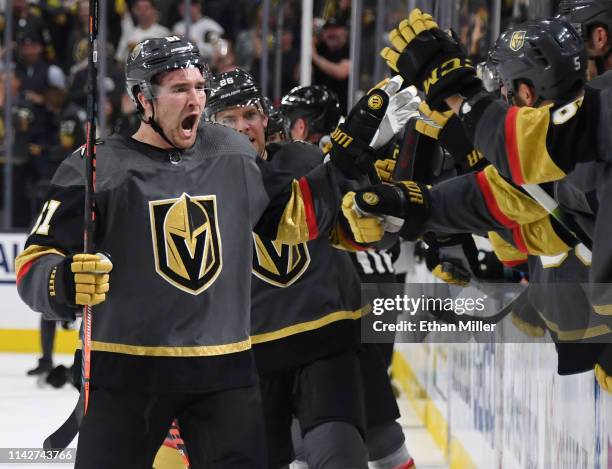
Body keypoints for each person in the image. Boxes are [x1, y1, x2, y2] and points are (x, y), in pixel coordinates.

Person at [14, 37, 388, 468]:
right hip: (130, 373)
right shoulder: (96, 167)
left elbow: (291, 222)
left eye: (198, 86)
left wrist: (346, 157)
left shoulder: (231, 154)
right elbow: (33, 263)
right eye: (178, 89)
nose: (194, 98)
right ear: (143, 98)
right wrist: (61, 281)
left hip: (224, 373)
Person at [205, 67, 370, 468]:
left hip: (325, 343)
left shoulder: (306, 160)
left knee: (341, 455)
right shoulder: (194, 187)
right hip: (248, 361)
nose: (242, 127)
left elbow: (357, 232)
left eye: (248, 115)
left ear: (266, 119)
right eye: (228, 120)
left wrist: (372, 186)